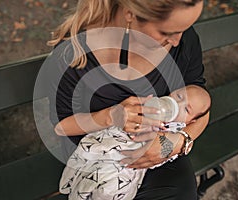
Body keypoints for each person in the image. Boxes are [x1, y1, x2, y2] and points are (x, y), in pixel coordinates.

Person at [47, 0, 209, 199]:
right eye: (166, 32)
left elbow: (201, 106)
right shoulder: (74, 54)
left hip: (159, 153)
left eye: (184, 28)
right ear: (130, 14)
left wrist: (177, 143)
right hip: (99, 159)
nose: (177, 40)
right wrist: (110, 116)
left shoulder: (184, 40)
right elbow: (61, 127)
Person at [59, 85, 211, 200]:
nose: (177, 105)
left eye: (186, 109)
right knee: (89, 151)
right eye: (179, 96)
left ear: (191, 121)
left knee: (112, 188)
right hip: (115, 138)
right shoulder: (154, 103)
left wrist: (165, 139)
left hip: (132, 162)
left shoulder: (175, 130)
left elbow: (166, 153)